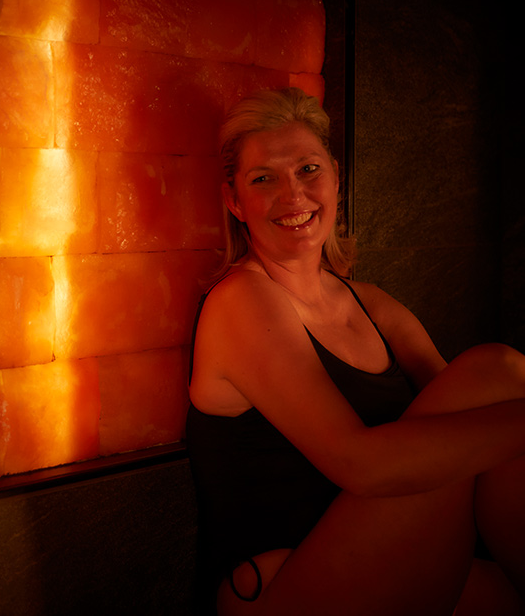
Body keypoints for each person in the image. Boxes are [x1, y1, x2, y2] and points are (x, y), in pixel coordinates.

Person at [187, 87, 525, 615]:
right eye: (263, 179)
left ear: (336, 177)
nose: (293, 195)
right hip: (282, 590)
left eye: (308, 169)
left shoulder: (372, 304)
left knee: (499, 376)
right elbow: (360, 465)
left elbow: (477, 435)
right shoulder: (241, 302)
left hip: (387, 557)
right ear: (235, 201)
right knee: (495, 371)